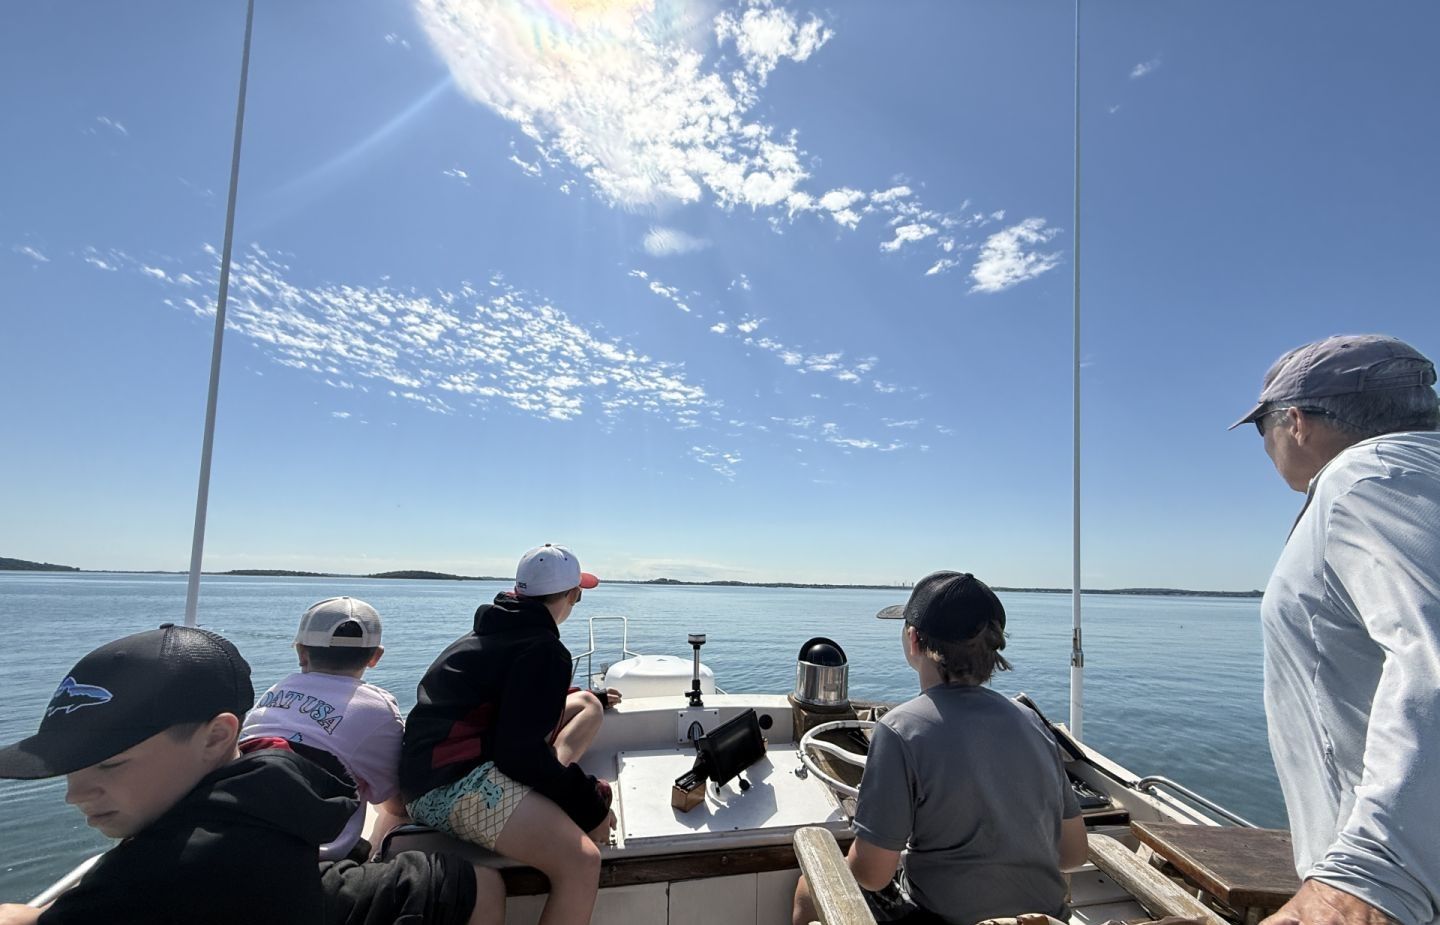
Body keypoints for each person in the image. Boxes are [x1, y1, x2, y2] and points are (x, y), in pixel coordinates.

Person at [0, 623, 503, 925]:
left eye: (110, 763)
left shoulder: (161, 875)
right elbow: (403, 814)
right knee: (469, 880)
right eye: (70, 768)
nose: (75, 795)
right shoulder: (271, 793)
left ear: (221, 737)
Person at [1231, 334, 1440, 925]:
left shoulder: (1369, 478)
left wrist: (1365, 884)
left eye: (1260, 426)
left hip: (1395, 894)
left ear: (1295, 421)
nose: (1265, 444)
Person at [793, 571, 1088, 925]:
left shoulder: (900, 729)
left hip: (942, 918)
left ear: (914, 640)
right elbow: (1073, 854)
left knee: (807, 889)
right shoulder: (1032, 721)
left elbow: (872, 874)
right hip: (1046, 919)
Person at [401, 543, 619, 925]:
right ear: (574, 595)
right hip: (450, 785)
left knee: (587, 703)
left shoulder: (498, 628)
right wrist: (589, 805)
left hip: (429, 770)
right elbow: (517, 754)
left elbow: (507, 701)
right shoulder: (542, 648)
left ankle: (548, 785)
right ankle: (552, 789)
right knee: (582, 862)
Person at [241, 596, 407, 860]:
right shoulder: (377, 709)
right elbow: (392, 800)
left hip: (241, 830)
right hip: (311, 862)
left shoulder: (278, 689)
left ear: (301, 653)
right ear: (376, 657)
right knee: (398, 815)